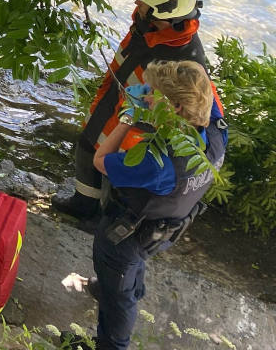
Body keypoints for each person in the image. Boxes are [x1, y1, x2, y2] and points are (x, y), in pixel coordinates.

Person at [59, 60, 227, 350]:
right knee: (130, 273)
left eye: (151, 92)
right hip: (164, 228)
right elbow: (204, 85)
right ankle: (120, 287)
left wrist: (128, 117)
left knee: (119, 300)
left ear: (174, 107)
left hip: (124, 236)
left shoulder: (157, 164)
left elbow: (100, 161)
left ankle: (112, 343)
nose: (146, 93)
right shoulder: (215, 133)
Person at [53, 0, 209, 220]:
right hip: (115, 102)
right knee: (86, 146)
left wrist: (135, 120)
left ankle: (101, 220)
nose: (138, 1)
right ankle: (83, 204)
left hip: (135, 125)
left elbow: (190, 109)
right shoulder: (149, 26)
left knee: (113, 176)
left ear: (166, 10)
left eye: (144, 0)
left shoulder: (183, 59)